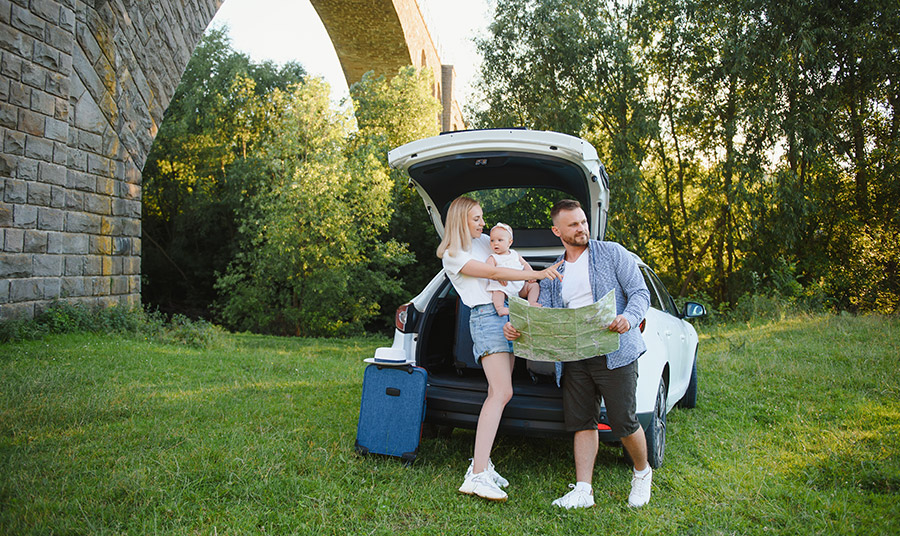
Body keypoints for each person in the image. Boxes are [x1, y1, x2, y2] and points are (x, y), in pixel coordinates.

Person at [503, 199, 653, 508]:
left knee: (623, 421)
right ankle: (583, 490)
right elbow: (540, 314)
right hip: (573, 356)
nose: (581, 228)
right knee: (582, 422)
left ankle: (641, 473)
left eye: (583, 221)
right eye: (573, 224)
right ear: (557, 230)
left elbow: (640, 293)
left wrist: (629, 317)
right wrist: (517, 328)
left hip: (615, 350)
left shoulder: (612, 253)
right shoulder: (554, 271)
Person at [438, 196, 563, 502]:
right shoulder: (453, 255)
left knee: (501, 393)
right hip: (485, 317)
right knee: (500, 392)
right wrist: (536, 274)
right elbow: (494, 274)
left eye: (482, 218)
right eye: (477, 219)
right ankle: (477, 475)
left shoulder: (484, 242)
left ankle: (483, 465)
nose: (483, 224)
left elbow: (511, 261)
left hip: (507, 313)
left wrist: (531, 283)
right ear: (460, 221)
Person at [484, 223, 541, 316]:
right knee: (497, 291)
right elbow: (489, 271)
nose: (496, 243)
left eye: (500, 240)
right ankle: (500, 308)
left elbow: (525, 264)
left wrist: (531, 273)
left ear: (510, 242)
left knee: (534, 286)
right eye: (492, 240)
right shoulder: (493, 257)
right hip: (504, 287)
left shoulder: (514, 254)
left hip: (519, 286)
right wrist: (498, 277)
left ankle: (531, 303)